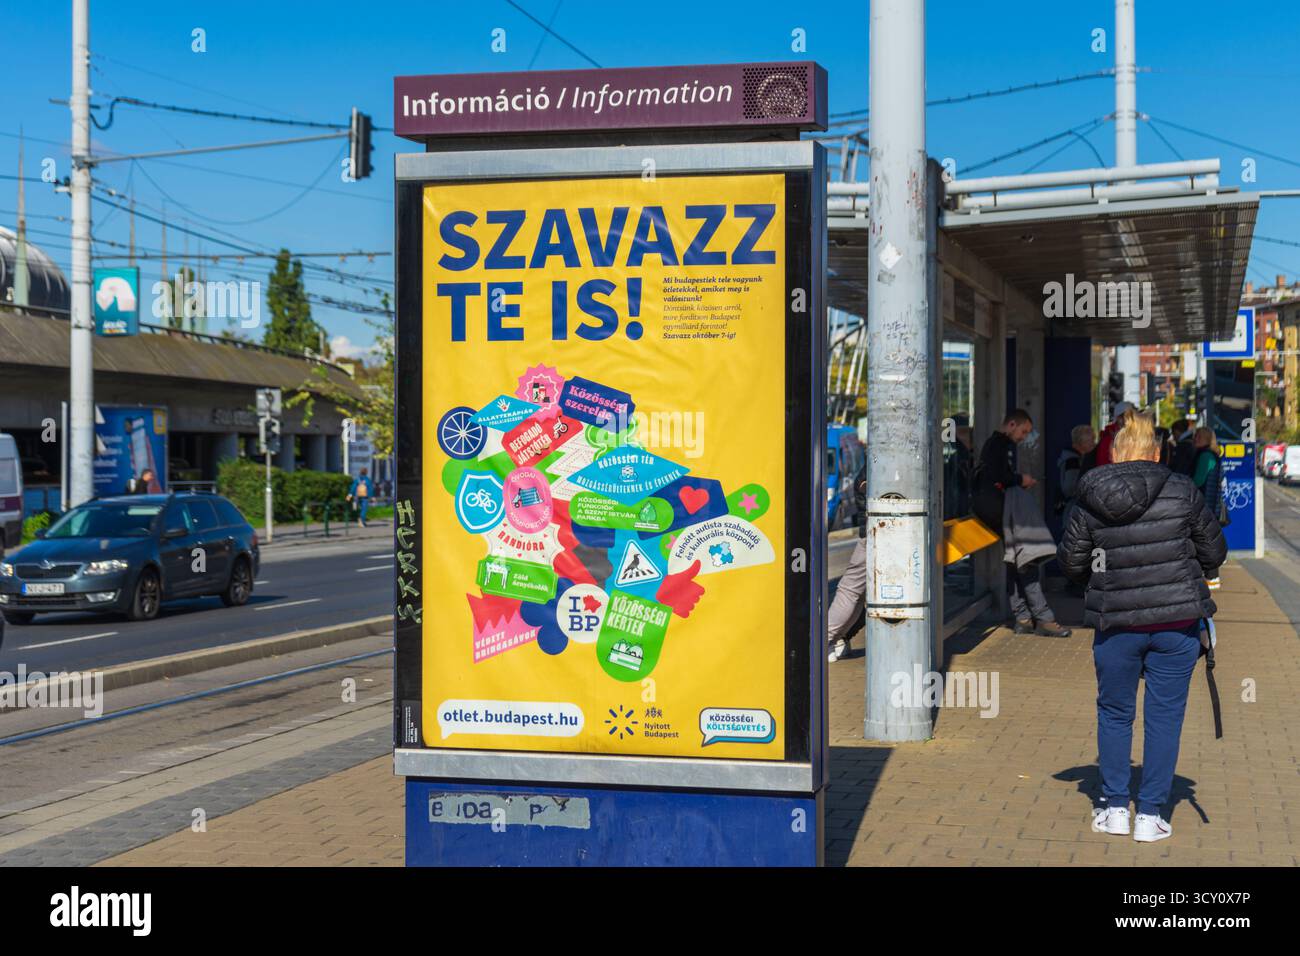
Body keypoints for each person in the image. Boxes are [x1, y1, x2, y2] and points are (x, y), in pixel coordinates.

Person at [1057, 409, 1226, 843]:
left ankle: (1114, 809)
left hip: (1115, 625)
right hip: (1177, 622)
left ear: (1114, 453)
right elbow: (1214, 550)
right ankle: (1150, 816)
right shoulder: (1182, 490)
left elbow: (1072, 562)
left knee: (1115, 713)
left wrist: (1101, 577)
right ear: (1156, 451)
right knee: (1165, 718)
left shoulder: (1090, 494)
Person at [828, 459, 866, 662]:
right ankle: (830, 639)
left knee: (852, 591)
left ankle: (829, 640)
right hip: (876, 534)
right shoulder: (874, 473)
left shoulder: (868, 471)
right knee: (853, 592)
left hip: (873, 535)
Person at [1190, 427, 1226, 590]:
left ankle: (1212, 577)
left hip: (1205, 506)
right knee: (1208, 539)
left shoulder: (1205, 456)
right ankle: (1212, 577)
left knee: (1204, 540)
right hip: (1211, 505)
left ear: (1206, 439)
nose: (1195, 438)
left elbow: (1197, 481)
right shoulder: (1213, 455)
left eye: (1199, 436)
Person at [1056, 424, 1095, 517]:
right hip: (1072, 511)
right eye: (1091, 441)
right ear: (1081, 443)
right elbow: (1069, 489)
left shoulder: (1071, 458)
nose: (1094, 444)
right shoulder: (1073, 461)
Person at [1093, 401, 1134, 467]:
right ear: (1117, 418)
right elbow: (1102, 465)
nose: (1125, 420)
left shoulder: (1137, 435)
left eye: (1129, 416)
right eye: (1122, 416)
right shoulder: (1107, 438)